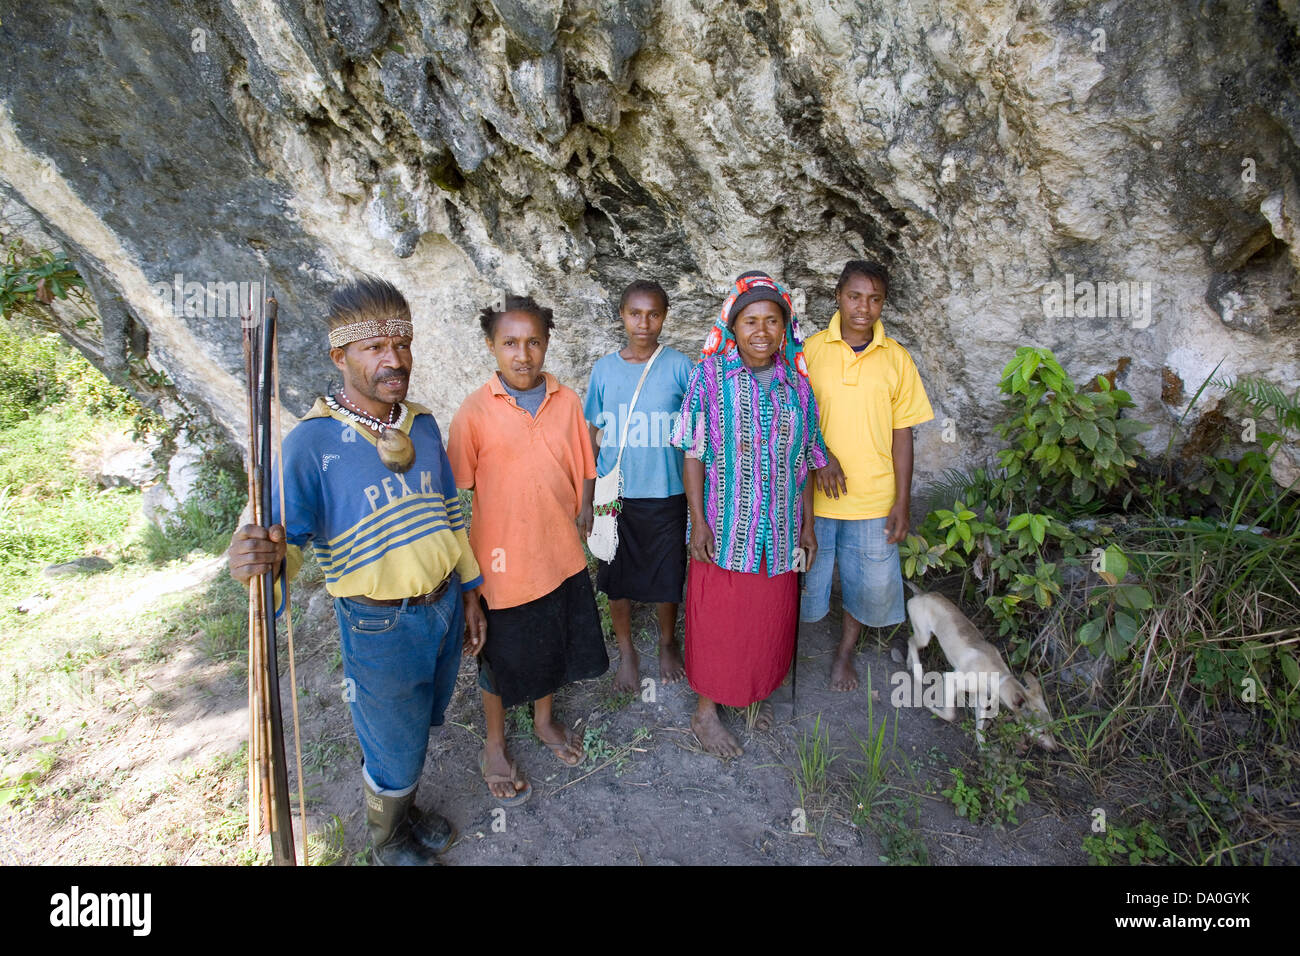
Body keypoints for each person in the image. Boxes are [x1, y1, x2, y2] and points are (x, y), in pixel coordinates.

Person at [227, 275, 488, 866]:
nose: (394, 360)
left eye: (402, 344)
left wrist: (471, 591)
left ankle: (404, 811)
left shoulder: (420, 425)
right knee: (391, 737)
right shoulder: (309, 445)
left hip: (443, 607)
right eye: (374, 348)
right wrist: (260, 560)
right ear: (339, 356)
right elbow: (285, 544)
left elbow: (450, 513)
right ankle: (386, 841)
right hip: (379, 625)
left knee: (420, 720)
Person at [447, 296, 610, 803]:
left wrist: (584, 509)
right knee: (499, 655)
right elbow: (456, 492)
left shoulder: (566, 401)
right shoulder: (474, 412)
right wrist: (467, 577)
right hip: (502, 564)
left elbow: (586, 464)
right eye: (510, 343)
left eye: (533, 342)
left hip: (559, 554)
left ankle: (543, 720)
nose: (523, 354)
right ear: (492, 347)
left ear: (546, 344)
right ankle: (494, 745)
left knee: (551, 640)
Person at [670, 271, 827, 757]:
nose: (761, 331)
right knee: (719, 617)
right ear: (733, 328)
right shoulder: (709, 378)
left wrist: (807, 525)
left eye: (772, 321)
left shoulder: (798, 389)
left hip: (778, 530)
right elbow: (693, 451)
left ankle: (753, 688)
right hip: (725, 524)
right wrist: (698, 520)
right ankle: (706, 711)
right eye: (750, 321)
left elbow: (802, 461)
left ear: (785, 328)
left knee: (764, 617)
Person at [801, 260, 934, 691]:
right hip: (814, 497)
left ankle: (844, 652)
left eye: (874, 299)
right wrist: (820, 457)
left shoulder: (896, 359)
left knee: (866, 583)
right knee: (806, 577)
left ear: (883, 304)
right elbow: (793, 418)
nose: (864, 307)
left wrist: (902, 502)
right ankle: (790, 650)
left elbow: (903, 435)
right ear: (838, 296)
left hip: (873, 499)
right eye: (855, 296)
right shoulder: (809, 351)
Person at [584, 279, 693, 691]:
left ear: (664, 317)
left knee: (668, 572)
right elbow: (592, 433)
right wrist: (588, 499)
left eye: (653, 314)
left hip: (667, 490)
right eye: (635, 313)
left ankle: (667, 641)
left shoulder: (680, 366)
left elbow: (697, 430)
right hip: (616, 493)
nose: (643, 323)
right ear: (621, 316)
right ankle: (627, 649)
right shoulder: (605, 369)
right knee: (615, 572)